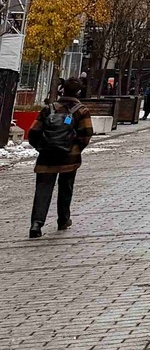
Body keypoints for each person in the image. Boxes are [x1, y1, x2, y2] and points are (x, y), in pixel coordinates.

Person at [26, 79, 93, 237]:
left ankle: (36, 224)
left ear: (63, 90)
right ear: (78, 92)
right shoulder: (81, 111)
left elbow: (33, 132)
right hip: (69, 159)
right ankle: (63, 219)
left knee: (43, 189)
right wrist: (74, 149)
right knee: (66, 188)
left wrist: (43, 147)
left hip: (46, 157)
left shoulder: (48, 109)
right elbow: (86, 134)